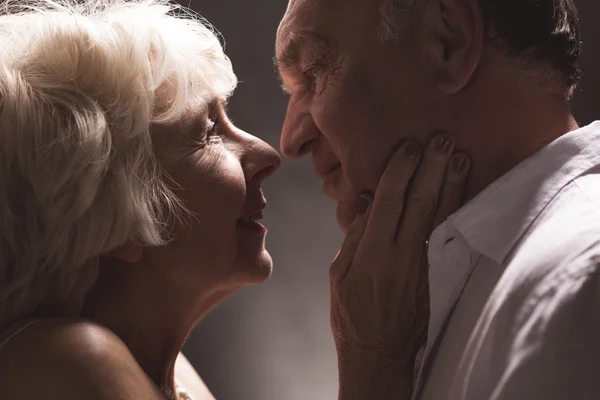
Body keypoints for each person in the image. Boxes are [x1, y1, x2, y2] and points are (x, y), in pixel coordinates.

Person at [0, 0, 469, 399]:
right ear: (109, 203)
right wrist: (373, 359)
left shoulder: (168, 370)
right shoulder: (72, 358)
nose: (268, 152)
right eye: (208, 133)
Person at [276, 0, 600, 399]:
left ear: (449, 41)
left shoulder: (580, 290)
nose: (290, 140)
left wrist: (371, 369)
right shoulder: (427, 299)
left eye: (314, 71)